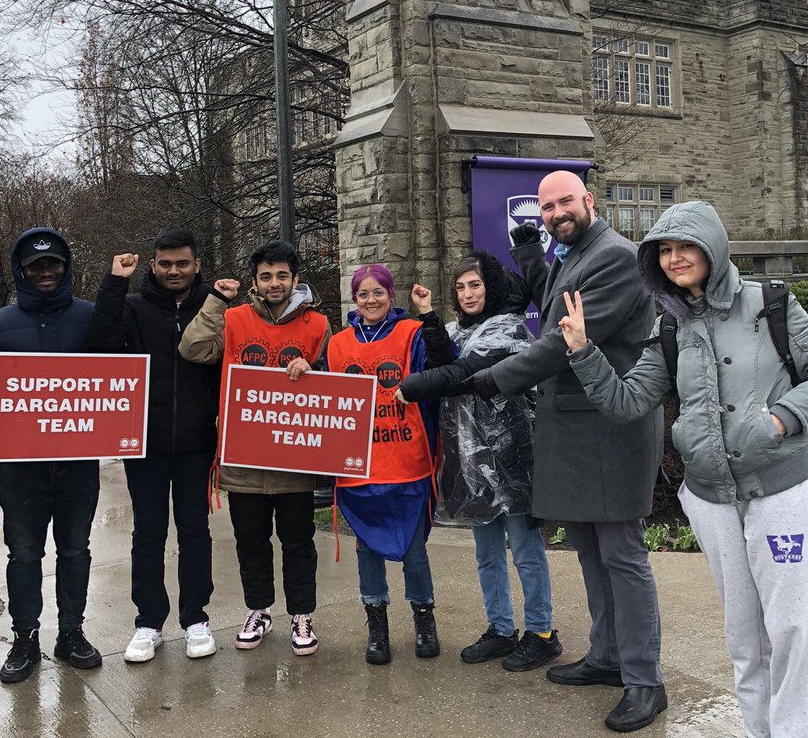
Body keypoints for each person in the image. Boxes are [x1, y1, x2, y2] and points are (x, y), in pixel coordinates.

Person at [559, 200, 808, 738]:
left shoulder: (769, 304)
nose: (674, 258)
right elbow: (628, 400)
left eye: (684, 246)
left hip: (781, 492)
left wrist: (779, 419)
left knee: (792, 631)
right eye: (662, 251)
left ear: (713, 247)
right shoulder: (670, 328)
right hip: (713, 497)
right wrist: (583, 353)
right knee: (746, 632)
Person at [468, 170, 666, 732]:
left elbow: (562, 342)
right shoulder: (573, 253)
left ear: (589, 201)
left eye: (565, 203)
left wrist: (493, 377)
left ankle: (644, 679)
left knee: (622, 556)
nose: (556, 213)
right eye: (547, 206)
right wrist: (531, 257)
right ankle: (607, 657)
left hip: (611, 429)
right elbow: (553, 305)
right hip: (577, 431)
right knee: (588, 550)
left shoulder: (617, 257)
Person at [397, 251, 561, 672]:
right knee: (487, 552)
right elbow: (443, 356)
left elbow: (462, 372)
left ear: (491, 287)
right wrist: (429, 315)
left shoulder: (507, 331)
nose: (468, 294)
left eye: (476, 285)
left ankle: (541, 632)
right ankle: (501, 629)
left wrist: (413, 387)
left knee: (525, 549)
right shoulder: (456, 329)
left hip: (513, 456)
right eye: (461, 287)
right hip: (471, 458)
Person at [0, 228, 103, 684]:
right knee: (23, 554)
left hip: (78, 464)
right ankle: (25, 639)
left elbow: (119, 378)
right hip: (21, 468)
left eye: (53, 264)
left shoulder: (91, 318)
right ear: (21, 271)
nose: (45, 272)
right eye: (35, 266)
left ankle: (72, 633)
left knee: (76, 550)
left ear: (66, 268)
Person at [179, 239, 329, 657]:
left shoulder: (317, 324)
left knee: (298, 541)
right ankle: (259, 610)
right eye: (267, 276)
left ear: (295, 279)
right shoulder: (233, 319)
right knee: (251, 543)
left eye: (283, 275)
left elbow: (335, 383)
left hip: (295, 458)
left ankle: (302, 615)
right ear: (255, 282)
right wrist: (213, 302)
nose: (275, 283)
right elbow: (191, 348)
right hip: (244, 457)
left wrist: (312, 370)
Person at [87, 228, 220, 662]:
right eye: (165, 263)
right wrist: (115, 280)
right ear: (154, 266)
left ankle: (196, 617)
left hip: (198, 443)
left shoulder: (214, 306)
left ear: (197, 264)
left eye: (183, 263)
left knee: (195, 531)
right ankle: (148, 622)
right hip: (144, 443)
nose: (174, 270)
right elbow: (101, 343)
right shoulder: (132, 306)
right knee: (148, 533)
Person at [326, 263, 440, 665]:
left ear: (392, 296)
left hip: (406, 460)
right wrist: (306, 371)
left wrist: (427, 315)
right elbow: (325, 398)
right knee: (367, 551)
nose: (370, 300)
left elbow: (442, 368)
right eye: (363, 294)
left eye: (378, 292)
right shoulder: (337, 344)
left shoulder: (411, 334)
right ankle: (377, 624)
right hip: (359, 466)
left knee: (414, 551)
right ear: (353, 299)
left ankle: (424, 618)